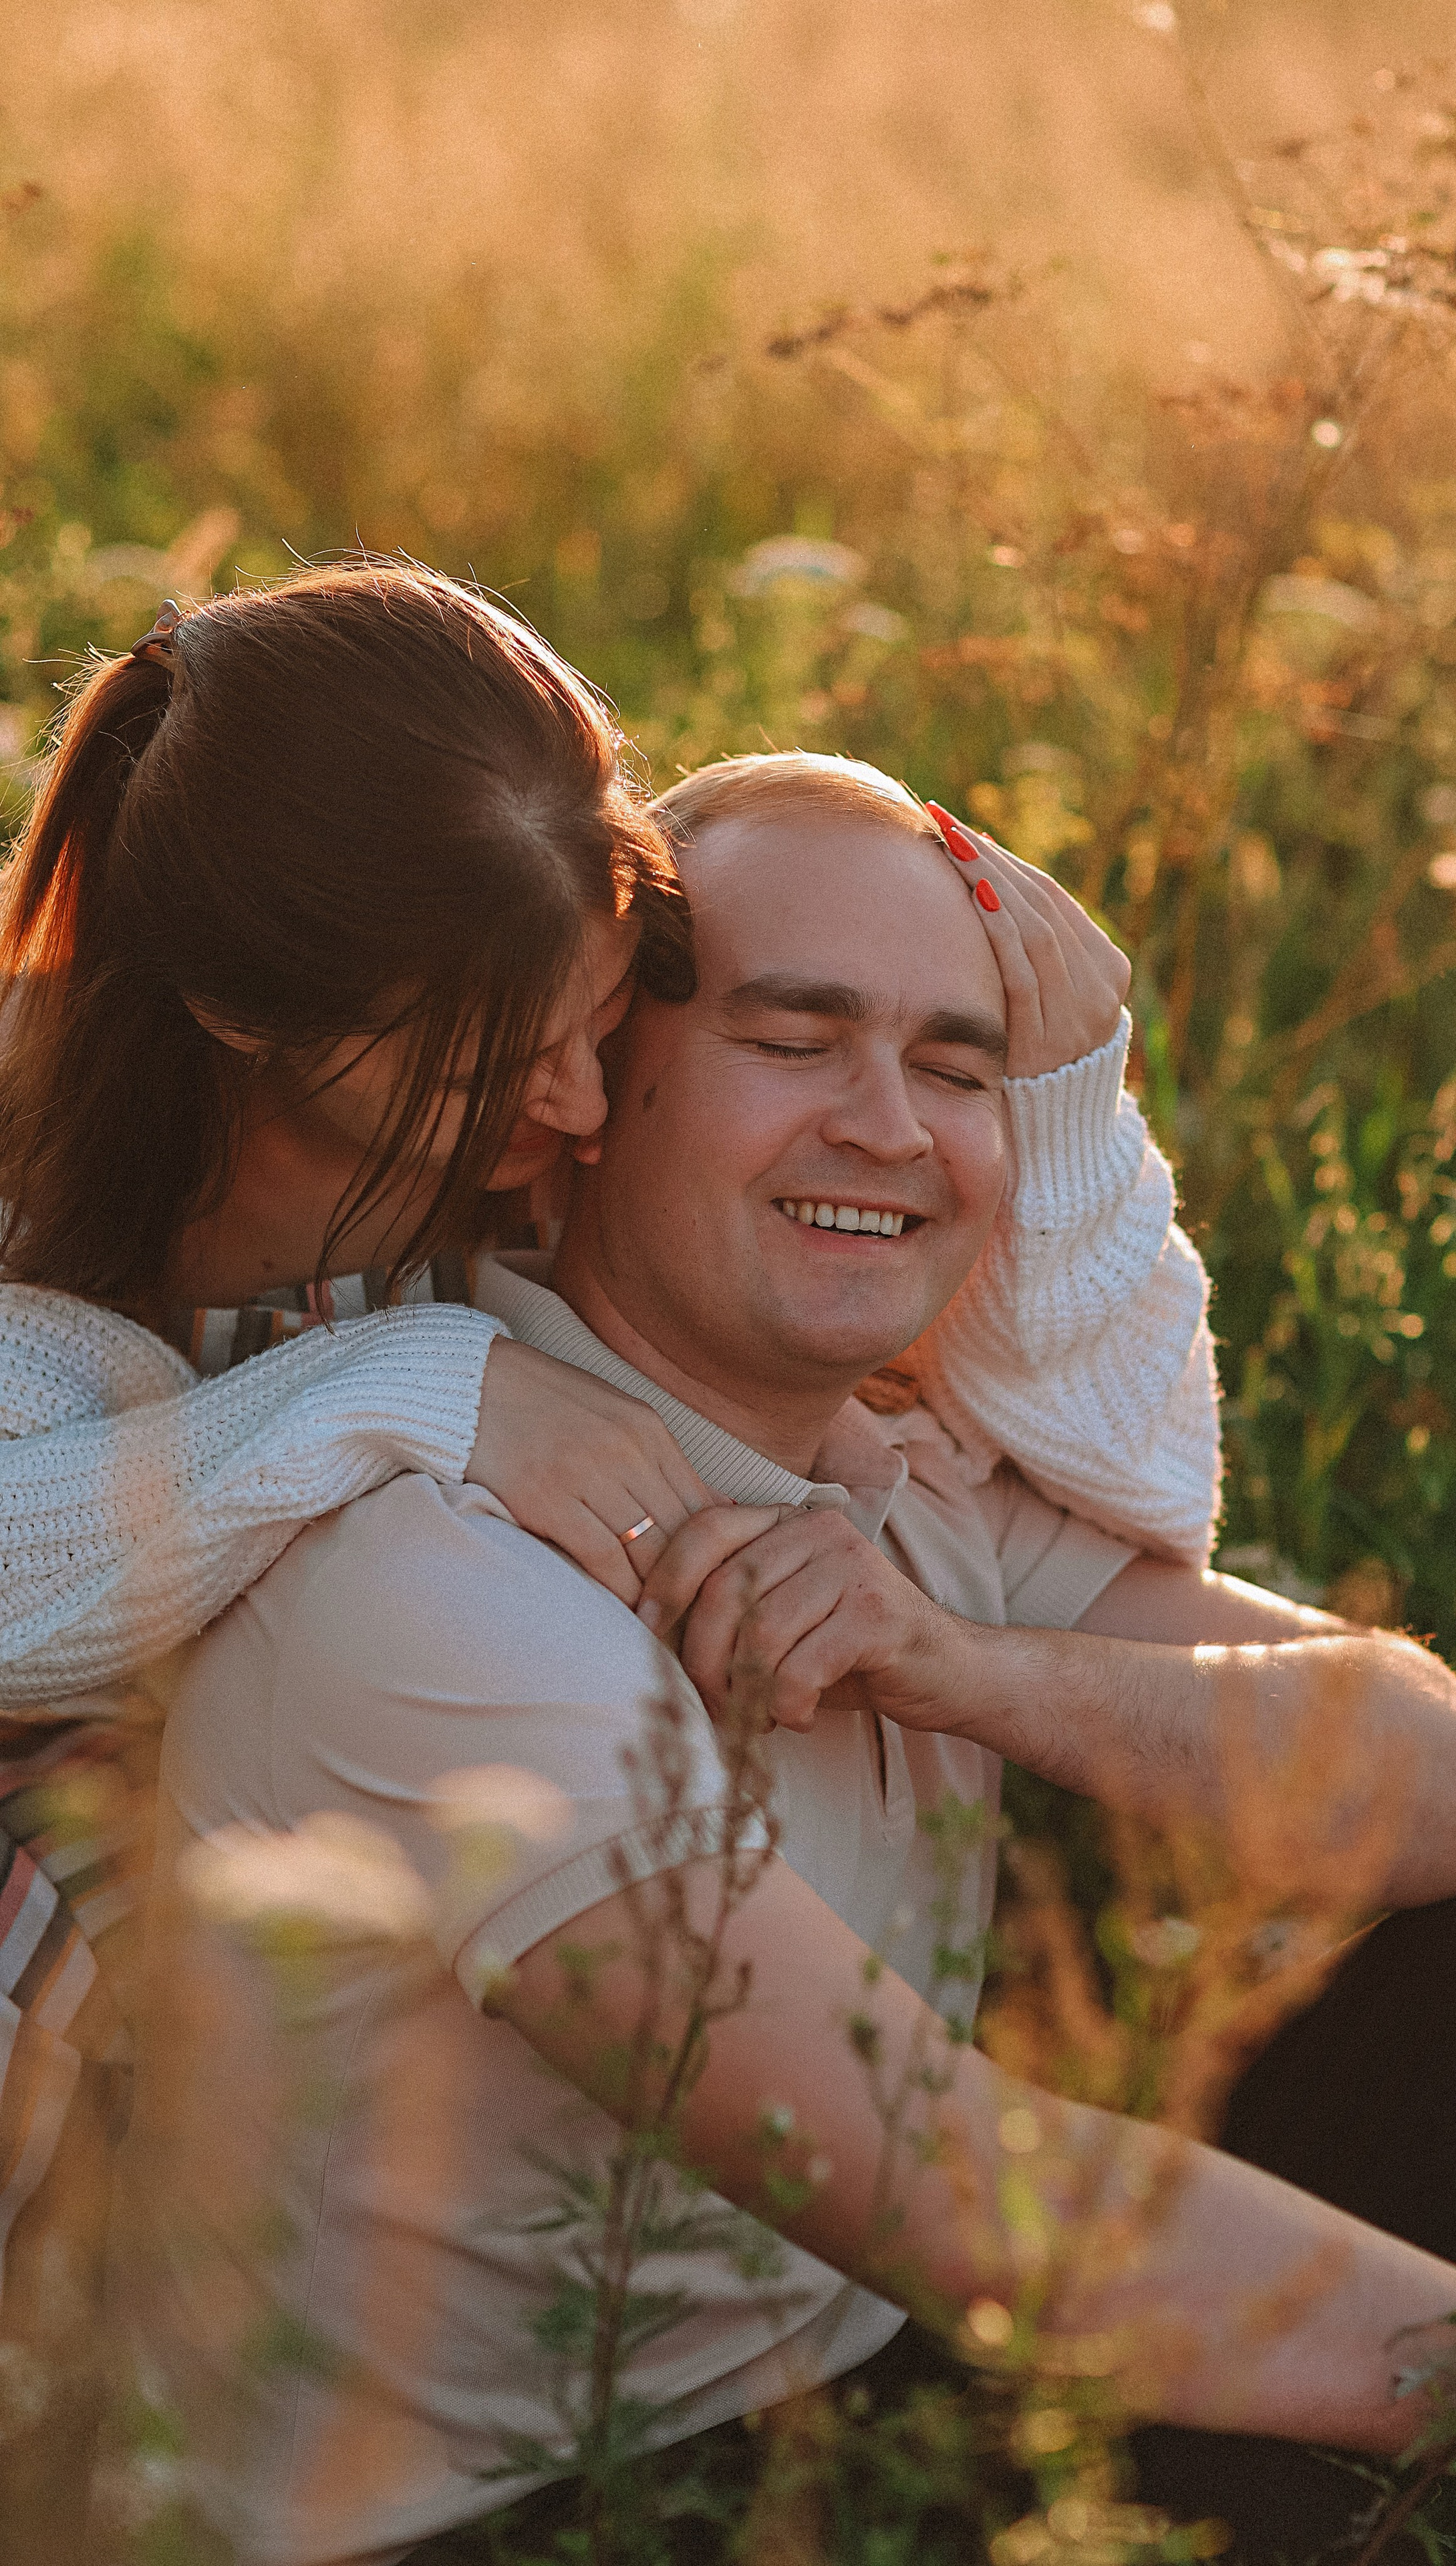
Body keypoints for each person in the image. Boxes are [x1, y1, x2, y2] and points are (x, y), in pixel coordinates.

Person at [122, 754, 1456, 2566]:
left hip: (844, 2370)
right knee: (1248, 2488)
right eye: (796, 1043)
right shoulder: (425, 1575)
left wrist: (964, 1666)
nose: (892, 1125)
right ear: (584, 1105)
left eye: (954, 1065)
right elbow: (970, 2195)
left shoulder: (904, 1470)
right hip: (519, 2519)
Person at [0, 577, 1219, 2313]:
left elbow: (1141, 1484)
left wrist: (1068, 1106)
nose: (577, 1105)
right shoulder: (59, 1231)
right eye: (506, 1057)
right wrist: (409, 1388)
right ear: (250, 1020)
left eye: (596, 1025)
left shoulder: (485, 1178)